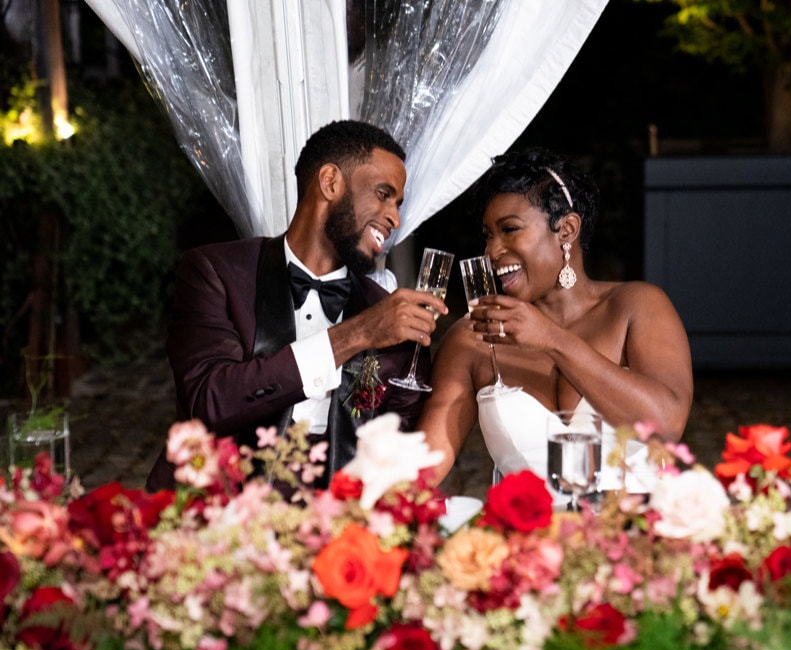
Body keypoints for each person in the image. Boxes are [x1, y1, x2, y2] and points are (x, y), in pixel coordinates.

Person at [147, 120, 447, 491]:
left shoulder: (384, 310)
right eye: (384, 194)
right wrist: (357, 334)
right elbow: (208, 403)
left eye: (398, 203)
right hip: (222, 507)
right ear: (331, 182)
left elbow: (398, 443)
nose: (395, 218)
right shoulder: (217, 272)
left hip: (335, 517)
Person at [417, 149, 693, 491]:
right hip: (528, 539)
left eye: (510, 230)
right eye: (488, 235)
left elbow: (666, 425)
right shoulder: (473, 337)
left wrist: (553, 340)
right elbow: (422, 468)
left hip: (636, 535)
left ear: (566, 230)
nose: (491, 251)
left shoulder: (636, 306)